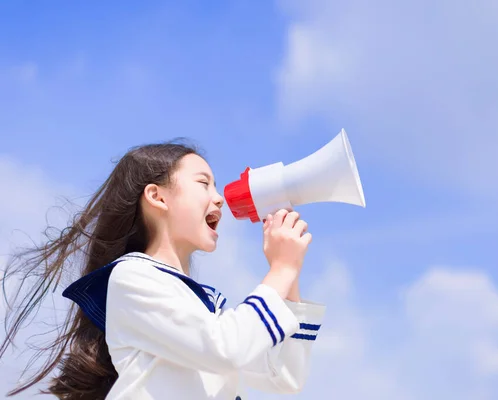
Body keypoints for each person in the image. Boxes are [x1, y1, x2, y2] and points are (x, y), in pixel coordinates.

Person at [0, 141, 325, 400]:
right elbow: (226, 348)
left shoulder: (202, 305)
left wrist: (290, 273)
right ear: (157, 197)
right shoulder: (131, 279)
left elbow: (283, 376)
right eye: (204, 183)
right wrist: (281, 268)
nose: (218, 198)